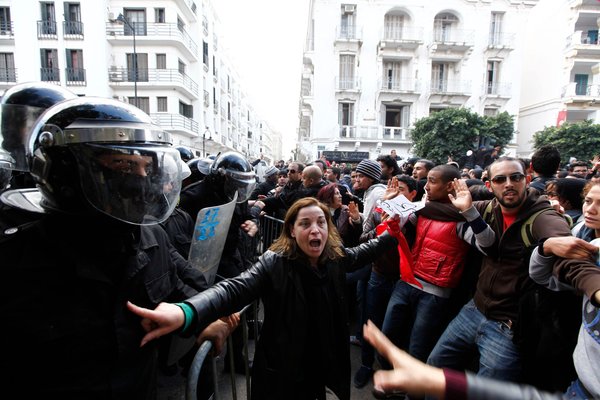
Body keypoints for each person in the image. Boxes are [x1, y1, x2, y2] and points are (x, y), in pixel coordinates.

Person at [0, 96, 234, 397]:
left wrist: (199, 317)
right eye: (124, 166)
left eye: (146, 168)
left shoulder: (150, 239)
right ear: (66, 172)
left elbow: (181, 286)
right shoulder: (13, 261)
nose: (140, 179)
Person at [127, 197, 401, 400]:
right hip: (284, 373)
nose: (315, 230)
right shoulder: (275, 263)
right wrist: (187, 312)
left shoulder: (336, 258)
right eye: (305, 224)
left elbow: (364, 251)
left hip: (328, 365)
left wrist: (391, 234)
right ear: (292, 231)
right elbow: (233, 289)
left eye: (321, 222)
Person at [421, 157, 574, 383]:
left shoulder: (543, 216)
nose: (509, 184)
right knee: (435, 367)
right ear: (490, 186)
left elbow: (564, 245)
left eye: (516, 177)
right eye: (500, 179)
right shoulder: (488, 208)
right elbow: (440, 211)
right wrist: (406, 202)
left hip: (508, 326)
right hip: (474, 310)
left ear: (528, 180)